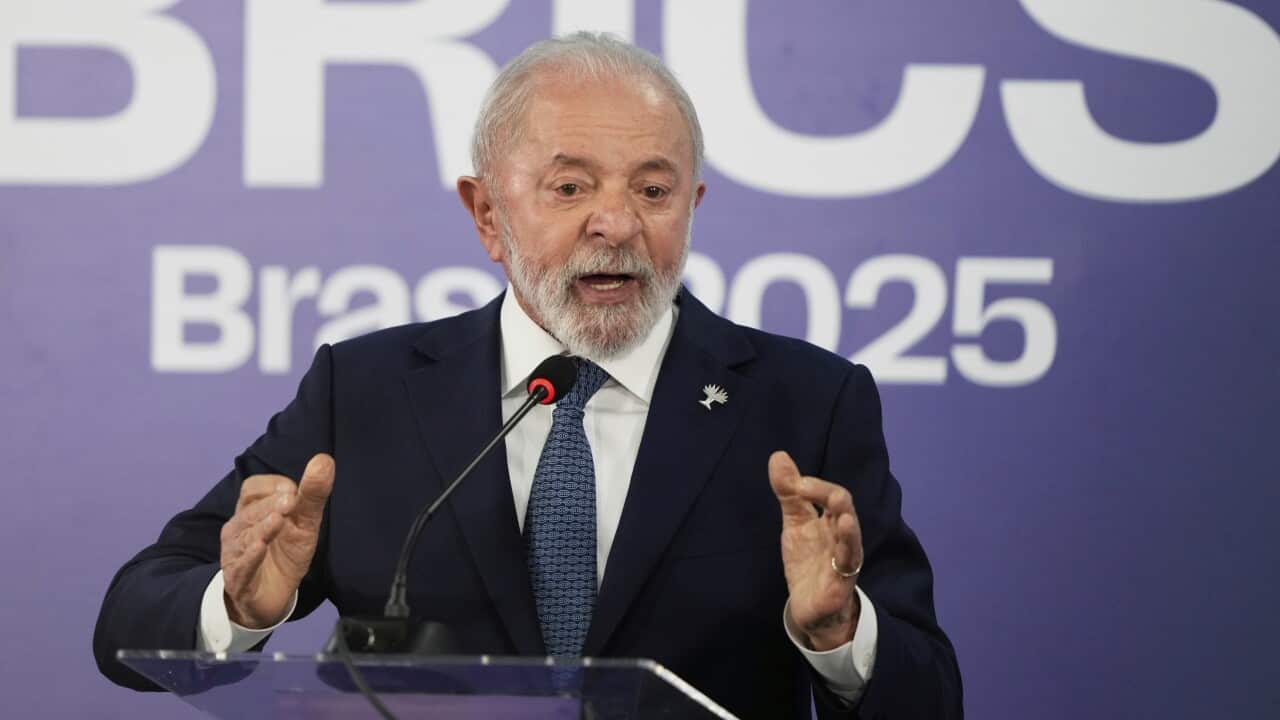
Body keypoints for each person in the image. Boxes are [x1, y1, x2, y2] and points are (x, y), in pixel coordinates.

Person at [94, 33, 961, 718]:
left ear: (692, 208)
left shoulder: (804, 404)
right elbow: (132, 615)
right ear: (487, 214)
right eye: (570, 187)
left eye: (654, 192)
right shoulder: (364, 394)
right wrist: (239, 609)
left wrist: (840, 635)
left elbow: (931, 694)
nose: (615, 223)